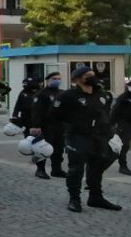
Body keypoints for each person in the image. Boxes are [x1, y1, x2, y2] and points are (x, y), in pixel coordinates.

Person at [52, 67, 122, 212]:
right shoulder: (68, 95)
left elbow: (106, 115)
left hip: (99, 137)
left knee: (96, 168)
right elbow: (55, 116)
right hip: (78, 137)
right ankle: (74, 199)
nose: (92, 77)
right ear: (77, 79)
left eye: (92, 75)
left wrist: (110, 133)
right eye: (87, 75)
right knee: (76, 169)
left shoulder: (102, 95)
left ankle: (96, 198)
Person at [29, 73, 68, 179]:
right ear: (48, 80)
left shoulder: (62, 93)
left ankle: (57, 169)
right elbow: (36, 111)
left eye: (59, 79)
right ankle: (40, 170)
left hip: (60, 125)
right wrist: (36, 125)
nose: (57, 81)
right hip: (46, 126)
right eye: (54, 79)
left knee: (59, 148)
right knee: (43, 148)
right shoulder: (41, 94)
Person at [111, 80, 131, 176]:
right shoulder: (123, 98)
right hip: (125, 124)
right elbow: (115, 111)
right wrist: (112, 124)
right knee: (124, 146)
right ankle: (123, 166)